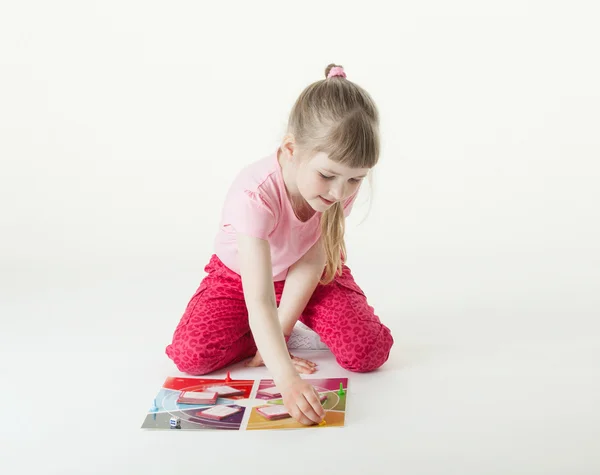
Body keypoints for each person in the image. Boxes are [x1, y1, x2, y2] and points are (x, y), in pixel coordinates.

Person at [165, 64, 394, 426]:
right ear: (291, 149)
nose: (340, 192)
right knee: (191, 355)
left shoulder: (339, 185)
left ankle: (270, 331)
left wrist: (283, 328)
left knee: (368, 351)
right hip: (242, 278)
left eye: (355, 179)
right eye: (328, 175)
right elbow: (258, 297)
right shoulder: (255, 194)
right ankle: (261, 332)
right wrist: (284, 375)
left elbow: (311, 258)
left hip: (309, 274)